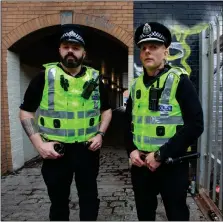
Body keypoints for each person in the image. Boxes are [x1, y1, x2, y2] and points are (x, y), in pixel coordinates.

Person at [19, 24, 112, 221]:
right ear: (59, 50)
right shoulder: (44, 78)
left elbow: (106, 110)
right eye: (66, 46)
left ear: (83, 52)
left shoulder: (95, 80)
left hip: (87, 150)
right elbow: (26, 112)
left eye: (76, 47)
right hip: (56, 152)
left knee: (89, 199)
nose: (71, 51)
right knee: (58, 202)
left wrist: (100, 134)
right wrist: (39, 145)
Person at [125, 22, 204, 221]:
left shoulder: (180, 81)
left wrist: (160, 155)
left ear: (166, 51)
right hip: (141, 166)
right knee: (144, 215)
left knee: (177, 215)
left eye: (154, 47)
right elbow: (127, 123)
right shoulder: (135, 86)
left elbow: (195, 124)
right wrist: (131, 150)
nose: (147, 51)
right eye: (143, 48)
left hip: (171, 165)